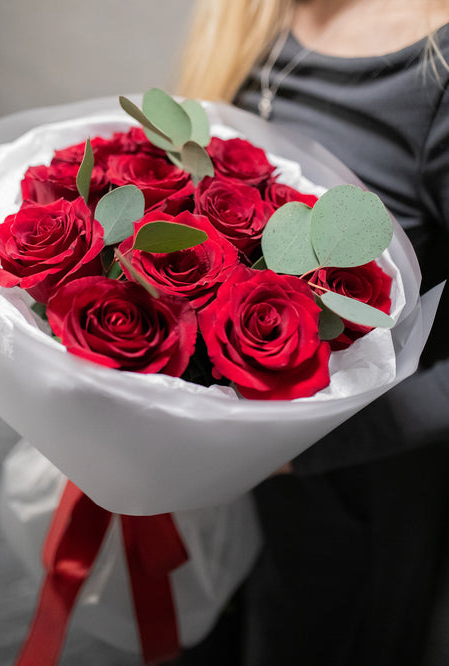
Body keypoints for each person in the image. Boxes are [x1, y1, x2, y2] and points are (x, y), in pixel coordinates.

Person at [173, 1, 449, 665]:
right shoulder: (247, 14)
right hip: (220, 452)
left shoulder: (433, 73)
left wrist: (301, 450)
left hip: (352, 481)